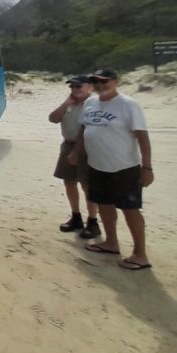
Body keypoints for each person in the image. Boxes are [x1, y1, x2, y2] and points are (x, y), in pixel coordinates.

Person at [69, 69, 154, 270]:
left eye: (103, 81)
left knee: (130, 210)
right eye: (95, 81)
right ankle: (111, 243)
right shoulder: (90, 103)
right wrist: (75, 151)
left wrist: (147, 167)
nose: (99, 85)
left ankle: (140, 255)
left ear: (115, 82)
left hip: (124, 167)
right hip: (97, 166)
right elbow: (84, 128)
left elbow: (142, 136)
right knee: (104, 205)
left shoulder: (128, 104)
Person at [48, 75, 99, 237]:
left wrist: (77, 151)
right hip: (67, 144)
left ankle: (92, 221)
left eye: (79, 86)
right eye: (72, 87)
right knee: (69, 182)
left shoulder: (93, 104)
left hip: (86, 147)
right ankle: (76, 216)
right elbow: (53, 118)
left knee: (87, 185)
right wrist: (67, 103)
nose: (75, 90)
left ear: (89, 87)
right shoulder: (69, 104)